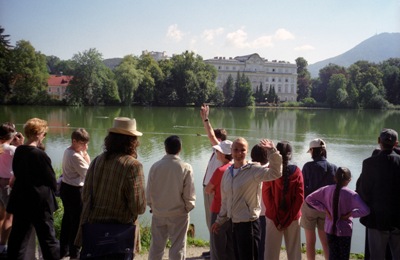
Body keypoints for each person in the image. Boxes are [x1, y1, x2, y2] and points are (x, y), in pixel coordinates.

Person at [76, 117, 146, 259]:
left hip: (94, 232)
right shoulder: (132, 166)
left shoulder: (97, 160)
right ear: (132, 141)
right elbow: (138, 207)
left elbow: (85, 196)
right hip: (119, 235)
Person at [212, 137, 282, 260]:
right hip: (233, 223)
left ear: (247, 151)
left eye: (242, 150)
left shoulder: (254, 170)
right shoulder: (228, 173)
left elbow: (275, 173)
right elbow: (225, 200)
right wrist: (219, 220)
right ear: (231, 151)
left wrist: (272, 152)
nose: (239, 153)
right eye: (236, 150)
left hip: (249, 225)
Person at [6, 118, 60, 260]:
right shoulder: (40, 155)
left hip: (21, 199)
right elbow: (52, 180)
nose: (44, 136)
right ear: (38, 134)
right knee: (48, 238)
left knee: (18, 238)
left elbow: (17, 172)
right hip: (39, 202)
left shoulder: (19, 151)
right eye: (44, 134)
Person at [147, 135, 196, 260]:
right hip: (179, 213)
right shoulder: (185, 167)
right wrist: (187, 208)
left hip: (159, 212)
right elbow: (189, 194)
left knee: (156, 246)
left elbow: (149, 191)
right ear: (180, 148)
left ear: (165, 148)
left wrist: (152, 205)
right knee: (178, 246)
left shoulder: (155, 166)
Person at [306, 167, 369, 259]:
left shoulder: (326, 189)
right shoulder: (352, 194)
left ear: (335, 178)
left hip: (329, 229)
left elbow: (309, 199)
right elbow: (366, 210)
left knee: (332, 255)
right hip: (345, 230)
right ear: (349, 180)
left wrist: (325, 209)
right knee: (343, 256)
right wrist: (350, 214)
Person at [356, 128, 400, 259]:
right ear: (396, 143)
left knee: (376, 256)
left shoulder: (369, 163)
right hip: (398, 219)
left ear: (378, 141)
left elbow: (363, 191)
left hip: (376, 219)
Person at [263, 141, 304, 260]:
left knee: (270, 252)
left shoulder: (271, 170)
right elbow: (300, 198)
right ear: (290, 155)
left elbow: (266, 194)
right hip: (293, 218)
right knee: (294, 252)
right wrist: (289, 218)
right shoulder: (297, 171)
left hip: (273, 218)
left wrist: (276, 218)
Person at [301, 138, 337, 260]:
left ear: (312, 150)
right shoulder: (333, 167)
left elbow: (302, 187)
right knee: (326, 242)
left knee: (310, 242)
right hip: (326, 208)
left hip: (310, 207)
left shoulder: (307, 166)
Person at [200, 104, 227, 258]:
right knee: (210, 222)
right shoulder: (217, 153)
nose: (212, 142)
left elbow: (210, 134)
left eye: (215, 140)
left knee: (214, 223)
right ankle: (213, 250)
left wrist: (205, 119)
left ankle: (215, 252)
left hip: (213, 192)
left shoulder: (222, 152)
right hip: (209, 190)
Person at [59, 128, 91, 259]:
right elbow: (88, 173)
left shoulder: (68, 150)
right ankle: (74, 253)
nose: (85, 147)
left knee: (67, 220)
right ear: (74, 141)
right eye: (82, 144)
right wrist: (86, 155)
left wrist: (84, 153)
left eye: (86, 144)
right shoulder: (75, 156)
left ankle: (63, 249)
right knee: (76, 223)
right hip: (75, 191)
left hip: (66, 188)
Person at [205, 140, 234, 260]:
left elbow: (208, 189)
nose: (216, 153)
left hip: (218, 210)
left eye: (218, 151)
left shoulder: (221, 170)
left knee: (217, 245)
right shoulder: (237, 168)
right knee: (231, 244)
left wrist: (214, 190)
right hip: (232, 211)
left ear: (223, 154)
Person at [0, 123, 24, 255]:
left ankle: (1, 241)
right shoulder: (11, 150)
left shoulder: (2, 147)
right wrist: (20, 144)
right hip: (7, 184)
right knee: (9, 217)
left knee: (1, 215)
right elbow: (23, 156)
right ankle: (3, 246)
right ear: (11, 135)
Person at [250, 144, 269, 260]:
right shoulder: (270, 171)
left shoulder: (247, 169)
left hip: (250, 213)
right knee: (263, 246)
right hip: (265, 214)